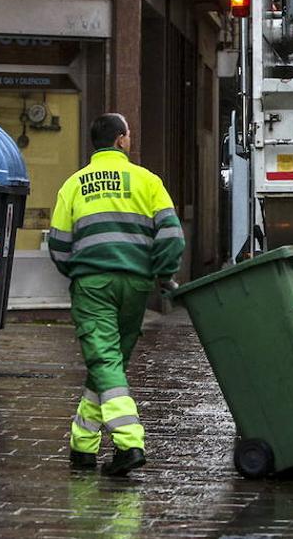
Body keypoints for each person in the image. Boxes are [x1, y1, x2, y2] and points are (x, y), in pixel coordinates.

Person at [48, 113, 184, 477]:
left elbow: (59, 244)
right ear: (122, 139)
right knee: (109, 363)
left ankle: (129, 443)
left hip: (92, 285)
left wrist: (77, 272)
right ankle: (82, 445)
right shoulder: (147, 180)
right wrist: (163, 274)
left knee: (105, 362)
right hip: (136, 287)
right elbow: (172, 236)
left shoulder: (73, 185)